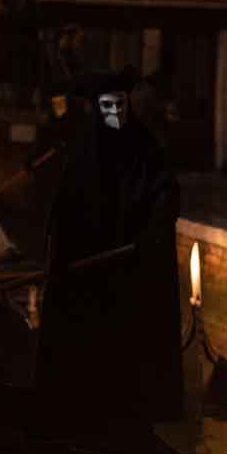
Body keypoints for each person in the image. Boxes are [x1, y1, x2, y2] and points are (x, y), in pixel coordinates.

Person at [34, 67, 183, 432]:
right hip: (87, 276)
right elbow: (65, 213)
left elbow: (165, 193)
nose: (115, 113)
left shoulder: (146, 150)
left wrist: (154, 226)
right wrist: (61, 259)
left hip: (130, 275)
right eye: (108, 106)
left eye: (120, 105)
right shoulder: (83, 153)